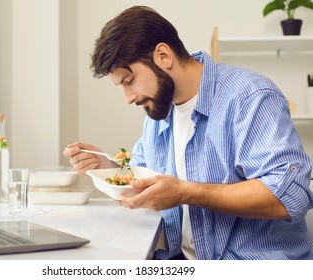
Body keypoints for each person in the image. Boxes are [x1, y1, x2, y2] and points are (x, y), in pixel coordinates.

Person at [63, 6, 313, 260]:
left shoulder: (250, 97)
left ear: (163, 56)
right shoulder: (159, 111)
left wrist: (185, 192)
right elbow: (144, 180)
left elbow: (288, 195)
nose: (128, 98)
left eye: (129, 81)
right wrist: (106, 168)